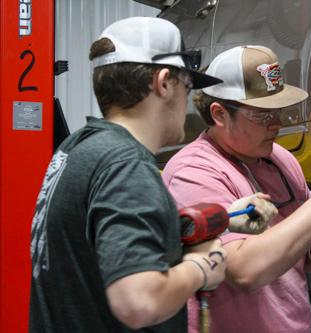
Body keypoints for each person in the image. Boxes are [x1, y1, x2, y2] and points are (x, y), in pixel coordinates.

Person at [29, 18, 275, 333]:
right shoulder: (126, 165)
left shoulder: (78, 149)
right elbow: (138, 302)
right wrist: (201, 267)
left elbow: (100, 241)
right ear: (163, 83)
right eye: (187, 86)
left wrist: (222, 218)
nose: (187, 100)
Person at [162, 45, 311, 332]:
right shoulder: (194, 173)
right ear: (219, 114)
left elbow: (280, 250)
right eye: (262, 116)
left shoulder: (281, 159)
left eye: (278, 111)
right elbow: (244, 271)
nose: (275, 124)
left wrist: (309, 253)